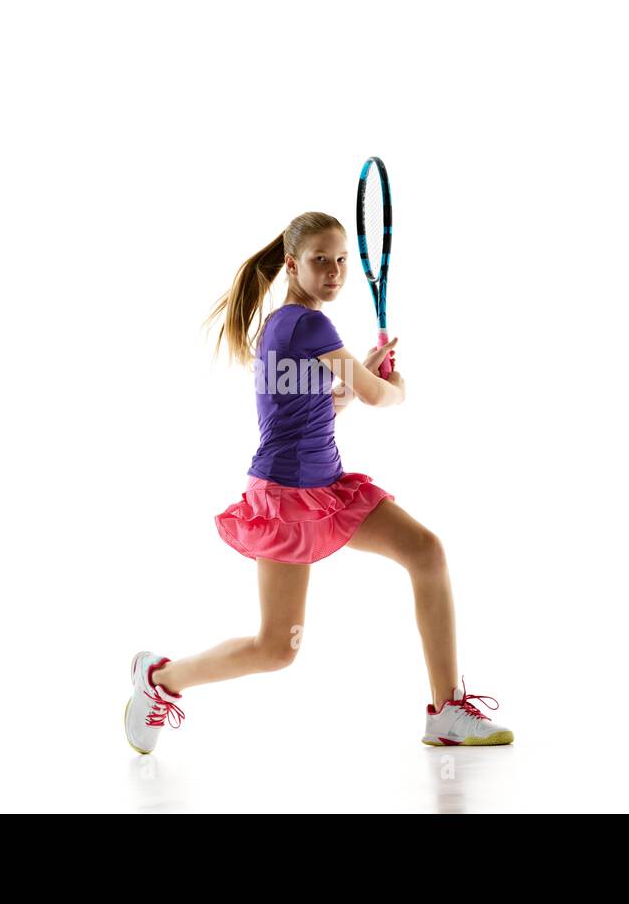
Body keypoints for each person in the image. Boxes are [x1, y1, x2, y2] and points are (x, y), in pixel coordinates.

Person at [124, 211, 513, 753]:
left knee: (426, 552)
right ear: (291, 264)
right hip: (286, 497)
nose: (334, 272)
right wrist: (391, 385)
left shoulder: (283, 324)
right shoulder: (309, 325)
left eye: (341, 261)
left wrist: (362, 376)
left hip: (328, 486)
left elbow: (317, 409)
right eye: (320, 260)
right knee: (276, 649)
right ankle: (159, 680)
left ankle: (446, 711)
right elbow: (380, 399)